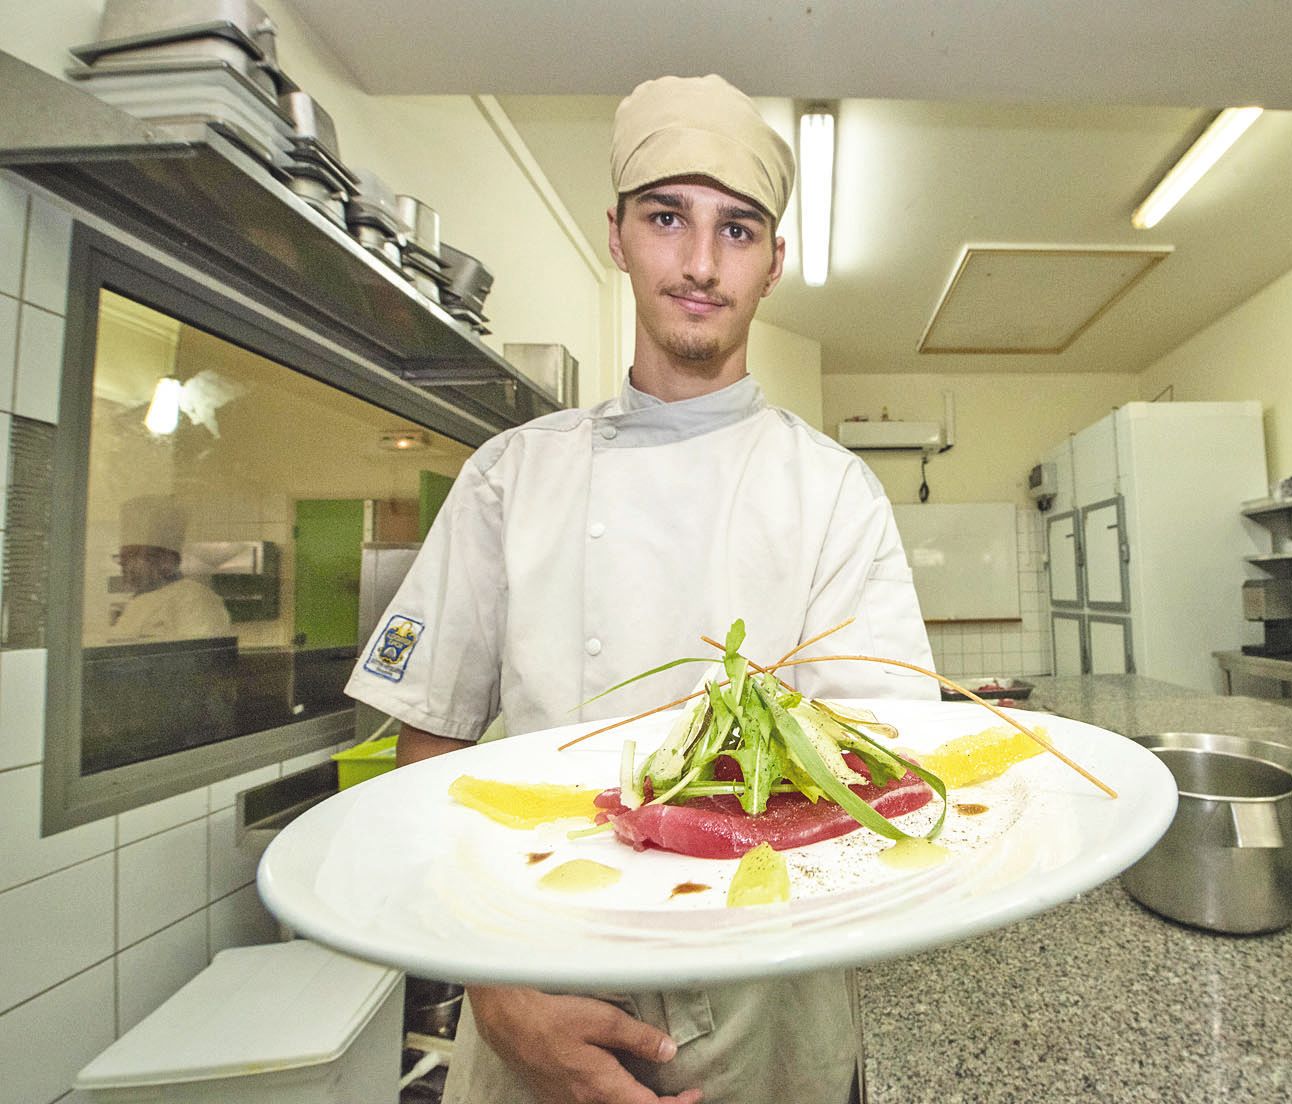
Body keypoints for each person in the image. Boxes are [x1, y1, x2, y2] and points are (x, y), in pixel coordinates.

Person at [344, 74, 935, 1104]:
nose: (701, 263)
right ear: (617, 235)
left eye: (737, 230)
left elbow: (877, 771)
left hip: (770, 1011)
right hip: (536, 989)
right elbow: (425, 747)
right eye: (668, 219)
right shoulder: (509, 478)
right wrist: (496, 992)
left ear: (774, 262)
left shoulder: (832, 493)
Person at [108, 495, 232, 642]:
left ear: (166, 561)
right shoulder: (136, 601)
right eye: (122, 557)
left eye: (132, 555)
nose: (122, 563)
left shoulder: (194, 600)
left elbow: (198, 658)